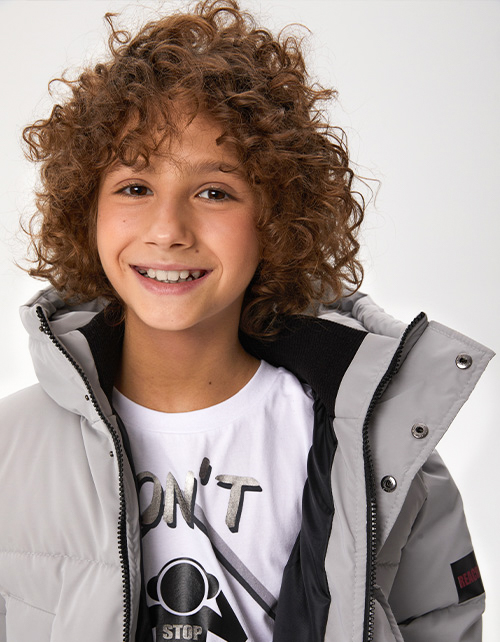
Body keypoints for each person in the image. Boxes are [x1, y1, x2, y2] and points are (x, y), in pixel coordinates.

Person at [0, 1, 493, 641]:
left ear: (275, 217)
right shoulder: (11, 446)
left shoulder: (379, 447)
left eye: (214, 192)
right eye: (135, 187)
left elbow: (443, 624)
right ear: (86, 209)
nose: (168, 230)